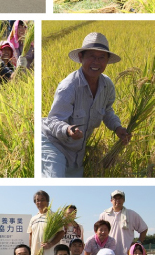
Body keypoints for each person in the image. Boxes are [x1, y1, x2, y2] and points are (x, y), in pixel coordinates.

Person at [42, 33, 131, 177]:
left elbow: (107, 111)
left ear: (107, 61)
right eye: (91, 56)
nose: (96, 62)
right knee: (56, 179)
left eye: (101, 57)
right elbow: (53, 120)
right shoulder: (69, 86)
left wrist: (117, 127)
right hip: (53, 143)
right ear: (81, 58)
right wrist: (67, 129)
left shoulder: (107, 86)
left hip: (76, 150)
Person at [99, 190, 148, 255]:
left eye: (120, 198)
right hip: (109, 253)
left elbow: (144, 229)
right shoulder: (104, 215)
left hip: (127, 253)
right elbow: (98, 233)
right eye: (115, 199)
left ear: (124, 200)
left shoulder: (131, 214)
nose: (118, 201)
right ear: (111, 200)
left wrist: (138, 242)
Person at [28, 190, 65, 255]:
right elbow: (31, 235)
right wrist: (31, 251)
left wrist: (51, 244)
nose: (40, 202)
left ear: (47, 202)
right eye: (37, 200)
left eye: (42, 200)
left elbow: (61, 233)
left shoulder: (54, 216)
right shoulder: (33, 218)